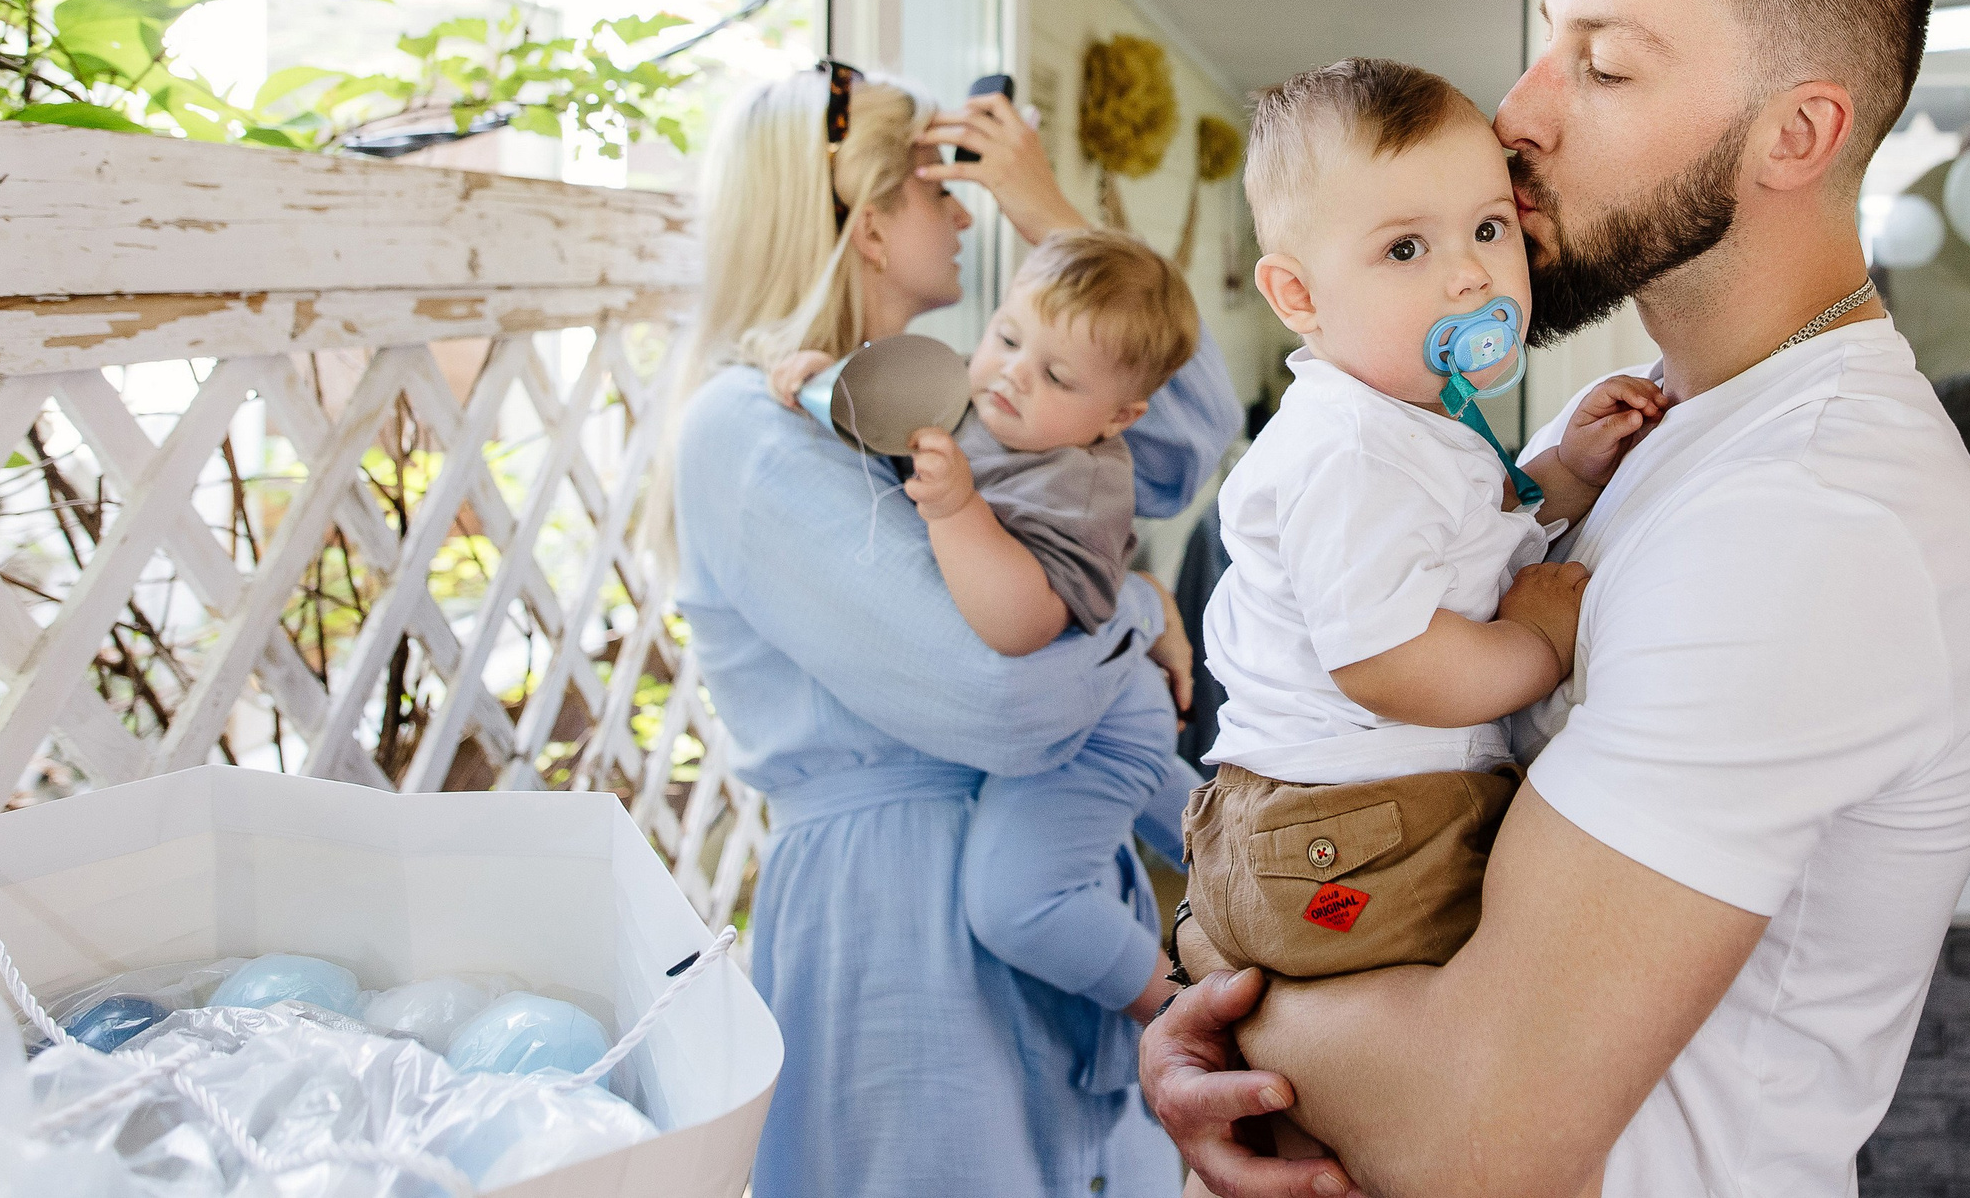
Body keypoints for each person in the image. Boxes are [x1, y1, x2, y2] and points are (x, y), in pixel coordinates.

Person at [1139, 0, 1970, 1198]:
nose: (1520, 115)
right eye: (1547, 45)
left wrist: (1215, 988)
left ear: (1798, 132)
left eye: (1604, 68)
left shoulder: (1809, 518)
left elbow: (1478, 1143)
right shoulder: (1669, 427)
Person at [664, 68, 1242, 1197]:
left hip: (1035, 875)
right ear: (870, 226)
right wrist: (1133, 604)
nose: (968, 214)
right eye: (941, 190)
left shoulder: (968, 412)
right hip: (901, 924)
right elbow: (1003, 701)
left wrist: (1054, 216)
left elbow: (1178, 441)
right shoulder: (749, 431)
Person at [1178, 59, 1660, 995]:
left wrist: (1564, 474)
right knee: (1506, 996)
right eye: (1406, 250)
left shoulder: (1411, 424)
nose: (1470, 274)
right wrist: (1537, 643)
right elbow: (1388, 661)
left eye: (1487, 228)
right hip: (1355, 827)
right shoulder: (1352, 450)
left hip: (1348, 822)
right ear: (1299, 297)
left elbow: (1460, 547)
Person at [765, 225, 1205, 1030]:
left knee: (1017, 902)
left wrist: (958, 510)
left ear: (1118, 417)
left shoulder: (1077, 481)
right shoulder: (981, 403)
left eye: (1056, 374)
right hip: (1110, 698)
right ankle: (1278, 879)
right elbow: (887, 422)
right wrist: (821, 382)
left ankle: (1187, 1011)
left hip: (1099, 724)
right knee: (1214, 844)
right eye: (1005, 336)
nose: (1010, 374)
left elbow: (1023, 624)